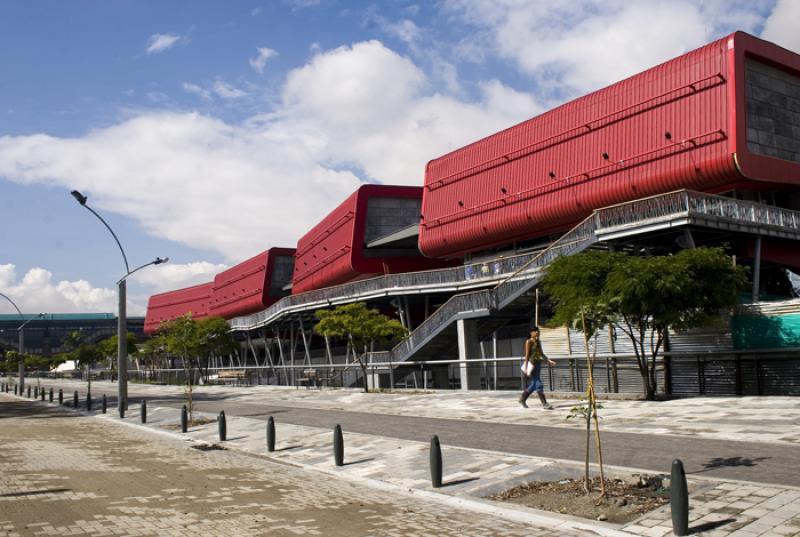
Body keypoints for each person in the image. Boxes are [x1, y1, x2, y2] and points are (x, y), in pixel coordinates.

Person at [519, 326, 556, 409]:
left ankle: (523, 399)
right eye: (535, 331)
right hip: (532, 365)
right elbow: (527, 355)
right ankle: (545, 404)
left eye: (537, 331)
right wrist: (526, 368)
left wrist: (549, 360)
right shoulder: (529, 341)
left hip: (538, 364)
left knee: (534, 384)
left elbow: (541, 353)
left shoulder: (538, 341)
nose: (537, 332)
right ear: (531, 333)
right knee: (538, 382)